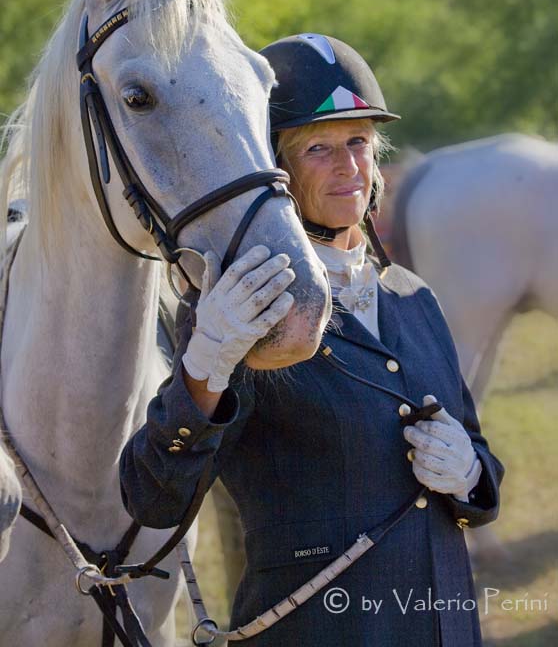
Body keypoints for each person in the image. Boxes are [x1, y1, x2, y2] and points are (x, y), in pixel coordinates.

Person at [120, 33, 504, 646]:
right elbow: (153, 499)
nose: (350, 166)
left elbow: (484, 482)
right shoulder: (241, 312)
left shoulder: (413, 297)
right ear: (275, 169)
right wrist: (202, 370)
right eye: (319, 148)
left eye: (360, 143)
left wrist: (471, 475)